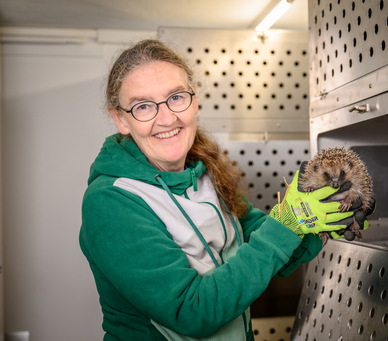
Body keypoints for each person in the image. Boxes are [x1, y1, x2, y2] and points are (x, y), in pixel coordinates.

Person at [79, 39, 372, 341]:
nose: (166, 118)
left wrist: (321, 228)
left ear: (195, 100)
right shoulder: (111, 201)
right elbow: (191, 312)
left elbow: (264, 249)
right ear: (120, 119)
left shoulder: (207, 171)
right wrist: (288, 223)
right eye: (143, 106)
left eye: (176, 97)